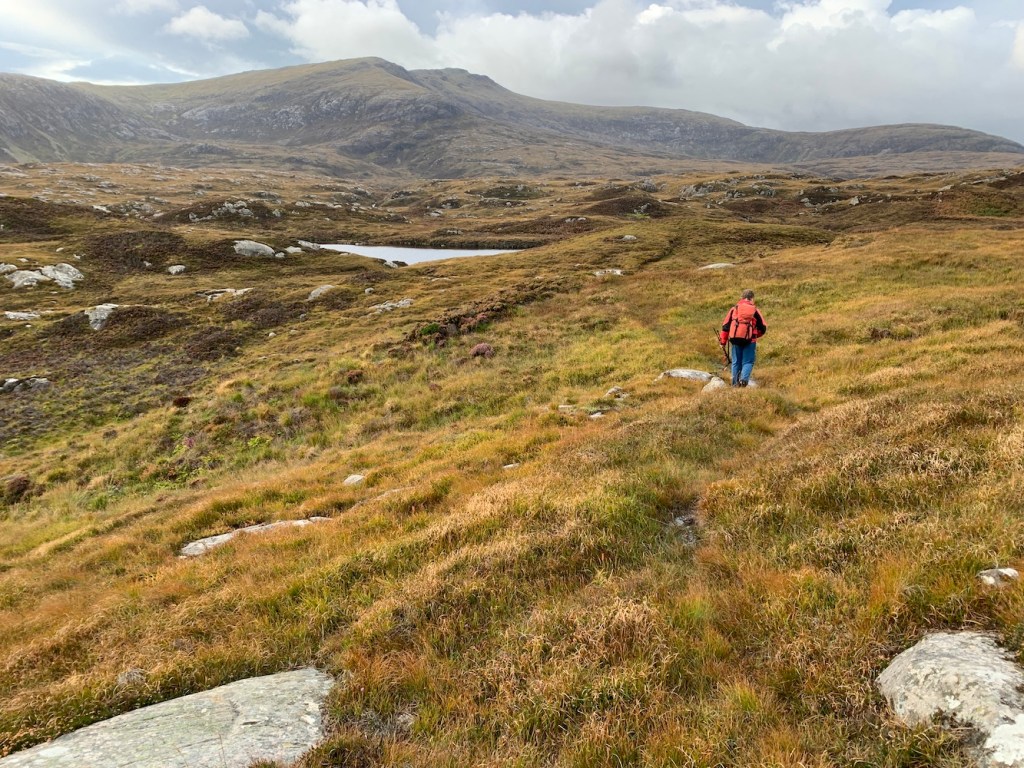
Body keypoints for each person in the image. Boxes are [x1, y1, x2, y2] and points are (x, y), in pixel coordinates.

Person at [719, 289, 767, 387]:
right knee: (748, 361)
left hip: (735, 339)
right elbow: (763, 327)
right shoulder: (754, 310)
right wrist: (754, 334)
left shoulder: (734, 309)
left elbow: (725, 327)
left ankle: (735, 384)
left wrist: (723, 342)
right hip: (750, 341)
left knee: (736, 362)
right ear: (752, 298)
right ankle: (744, 380)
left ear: (741, 298)